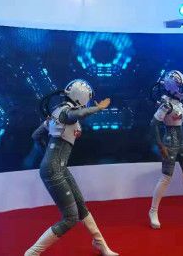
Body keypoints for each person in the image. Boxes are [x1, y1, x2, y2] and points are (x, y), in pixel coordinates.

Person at [25, 79, 119, 256]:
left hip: (58, 167)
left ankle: (101, 244)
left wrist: (47, 154)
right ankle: (32, 253)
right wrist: (99, 108)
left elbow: (36, 135)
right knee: (71, 218)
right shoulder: (66, 113)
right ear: (82, 96)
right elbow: (77, 115)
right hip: (55, 169)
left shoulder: (57, 112)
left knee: (81, 207)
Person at [148, 70, 183, 229]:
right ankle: (153, 211)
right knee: (166, 177)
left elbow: (178, 103)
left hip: (182, 140)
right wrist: (160, 145)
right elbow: (153, 124)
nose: (182, 90)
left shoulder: (175, 102)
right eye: (180, 87)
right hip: (170, 141)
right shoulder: (165, 105)